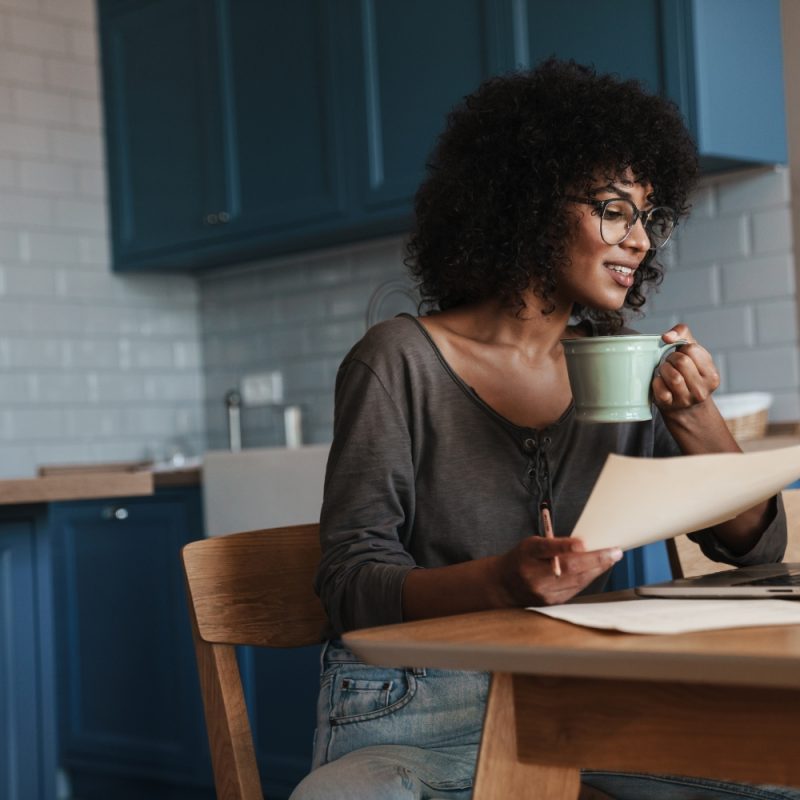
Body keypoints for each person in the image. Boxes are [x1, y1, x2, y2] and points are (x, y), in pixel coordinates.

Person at [290, 60, 797, 800]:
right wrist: (503, 580)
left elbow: (753, 547)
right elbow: (349, 586)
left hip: (585, 701)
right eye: (615, 211)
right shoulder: (398, 360)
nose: (642, 242)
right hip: (416, 711)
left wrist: (692, 414)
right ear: (524, 202)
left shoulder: (617, 363)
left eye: (647, 218)